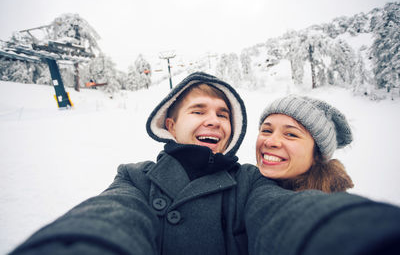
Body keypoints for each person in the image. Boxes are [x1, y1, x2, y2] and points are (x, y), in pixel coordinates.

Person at [10, 72, 400, 255]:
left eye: (223, 114)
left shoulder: (249, 183)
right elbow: (107, 219)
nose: (214, 119)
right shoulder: (135, 177)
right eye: (198, 110)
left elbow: (288, 213)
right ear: (171, 124)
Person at [256, 95, 354, 192]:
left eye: (291, 134)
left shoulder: (328, 205)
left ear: (317, 156)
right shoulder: (246, 184)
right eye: (267, 131)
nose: (270, 142)